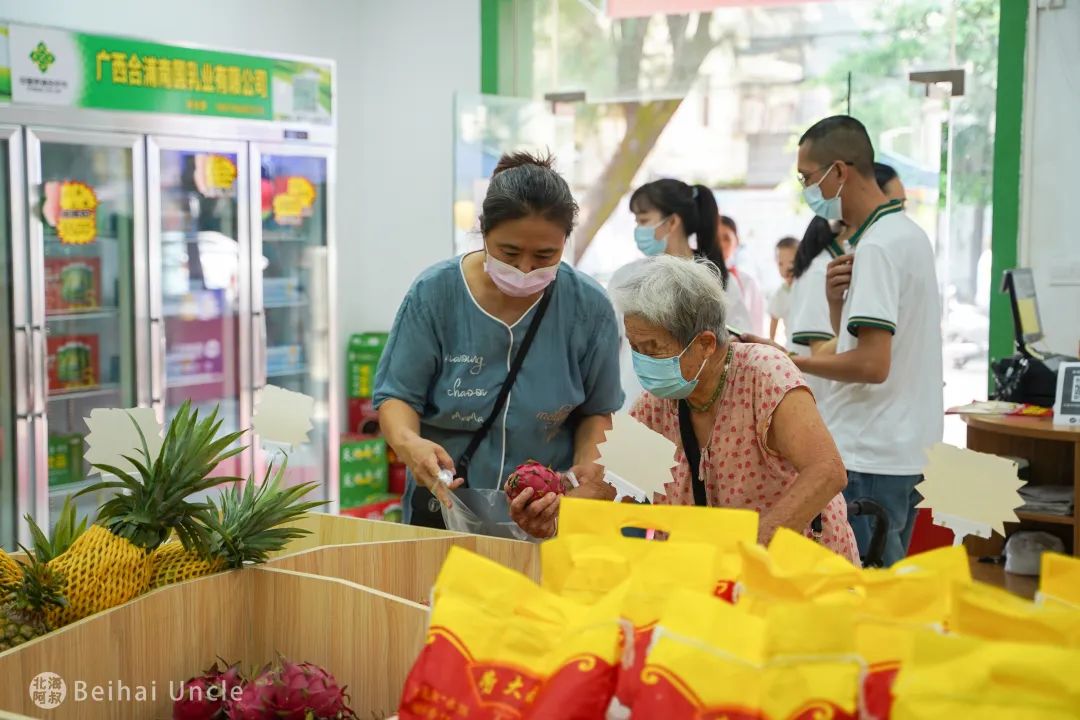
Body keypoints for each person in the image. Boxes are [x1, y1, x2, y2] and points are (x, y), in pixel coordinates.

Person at [373, 151, 622, 533]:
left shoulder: (588, 307)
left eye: (545, 255)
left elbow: (598, 410)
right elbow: (397, 397)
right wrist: (410, 445)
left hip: (543, 514)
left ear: (565, 243)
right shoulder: (435, 294)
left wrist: (585, 475)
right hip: (445, 508)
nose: (525, 269)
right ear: (484, 231)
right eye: (509, 252)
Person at [750, 116, 943, 567]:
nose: (806, 190)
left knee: (867, 596)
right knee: (885, 588)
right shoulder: (906, 235)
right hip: (904, 446)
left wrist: (790, 359)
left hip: (868, 450)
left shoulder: (877, 247)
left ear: (839, 171)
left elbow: (872, 366)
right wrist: (840, 305)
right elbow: (865, 346)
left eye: (807, 178)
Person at [608, 255, 857, 560]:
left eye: (653, 348)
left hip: (796, 568)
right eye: (635, 348)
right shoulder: (654, 407)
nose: (643, 361)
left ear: (706, 344)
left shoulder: (765, 375)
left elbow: (827, 471)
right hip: (714, 577)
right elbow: (609, 487)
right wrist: (554, 504)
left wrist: (755, 546)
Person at [620, 179, 753, 410]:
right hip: (633, 407)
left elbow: (737, 350)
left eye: (643, 221)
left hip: (702, 410)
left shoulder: (717, 281)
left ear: (671, 221)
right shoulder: (627, 279)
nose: (637, 230)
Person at [786, 164, 906, 404]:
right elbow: (821, 350)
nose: (899, 216)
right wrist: (878, 340)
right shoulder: (822, 271)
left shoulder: (869, 256)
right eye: (897, 205)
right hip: (823, 403)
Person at [718, 215, 767, 335]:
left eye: (726, 238)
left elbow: (756, 326)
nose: (721, 244)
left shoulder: (747, 281)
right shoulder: (698, 276)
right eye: (716, 238)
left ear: (737, 241)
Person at [768, 236, 799, 342]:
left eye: (792, 262)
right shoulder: (781, 292)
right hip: (791, 343)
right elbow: (774, 318)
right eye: (781, 264)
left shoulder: (805, 286)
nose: (786, 268)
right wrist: (771, 340)